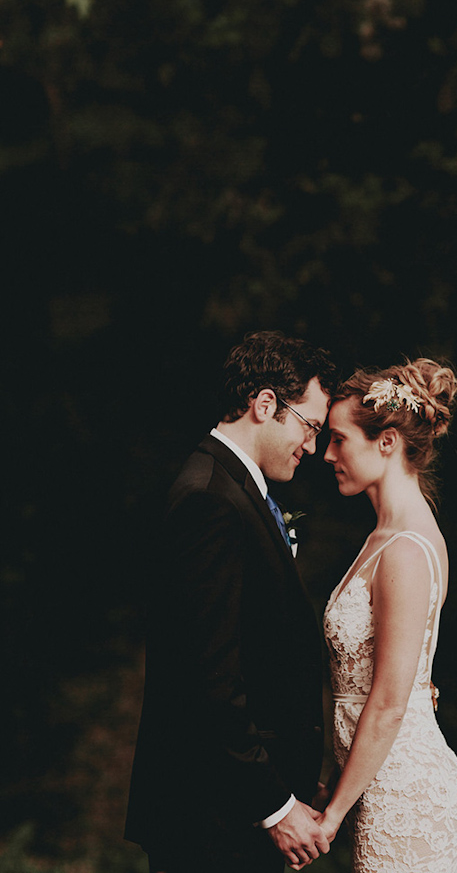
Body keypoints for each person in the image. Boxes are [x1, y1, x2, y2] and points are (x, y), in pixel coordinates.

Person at [125, 331, 337, 873]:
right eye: (310, 426)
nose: (312, 447)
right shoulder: (209, 501)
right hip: (212, 817)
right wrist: (274, 806)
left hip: (227, 808)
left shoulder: (232, 490)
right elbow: (208, 675)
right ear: (266, 404)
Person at [313, 358, 457, 873]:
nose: (326, 453)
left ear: (386, 442)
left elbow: (388, 702)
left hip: (402, 790)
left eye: (339, 439)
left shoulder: (404, 549)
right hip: (370, 782)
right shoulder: (383, 537)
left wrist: (331, 817)